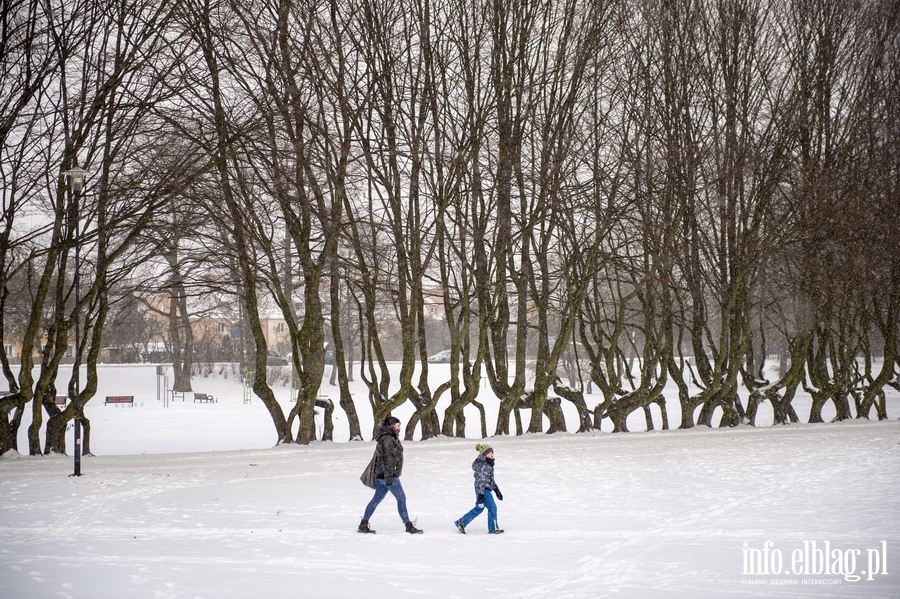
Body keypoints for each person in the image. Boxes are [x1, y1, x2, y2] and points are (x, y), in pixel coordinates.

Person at [358, 416, 423, 534]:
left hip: (384, 475)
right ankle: (408, 525)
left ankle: (363, 524)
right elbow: (386, 459)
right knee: (401, 498)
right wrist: (389, 478)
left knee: (376, 500)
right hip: (388, 476)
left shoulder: (389, 437)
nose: (399, 428)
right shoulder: (387, 439)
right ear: (391, 427)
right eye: (397, 426)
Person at [454, 444, 504, 534]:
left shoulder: (488, 463)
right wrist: (481, 495)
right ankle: (493, 528)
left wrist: (497, 490)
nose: (492, 454)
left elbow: (490, 480)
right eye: (489, 453)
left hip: (484, 489)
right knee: (492, 508)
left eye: (492, 452)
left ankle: (461, 522)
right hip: (483, 490)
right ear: (484, 454)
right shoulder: (483, 465)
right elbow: (481, 481)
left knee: (479, 508)